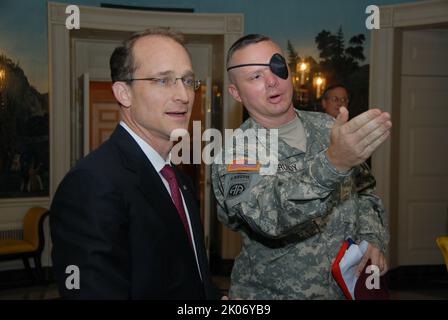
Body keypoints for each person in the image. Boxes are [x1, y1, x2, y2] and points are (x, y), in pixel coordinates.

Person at [212, 34, 391, 299]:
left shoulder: (328, 127)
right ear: (236, 92)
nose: (272, 80)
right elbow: (267, 216)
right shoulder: (238, 152)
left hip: (348, 290)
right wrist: (333, 163)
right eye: (255, 76)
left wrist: (371, 238)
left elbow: (364, 192)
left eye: (276, 68)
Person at [50, 29, 220, 299]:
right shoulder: (90, 185)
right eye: (163, 81)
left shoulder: (179, 181)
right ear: (123, 93)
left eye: (188, 81)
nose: (184, 96)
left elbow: (189, 279)